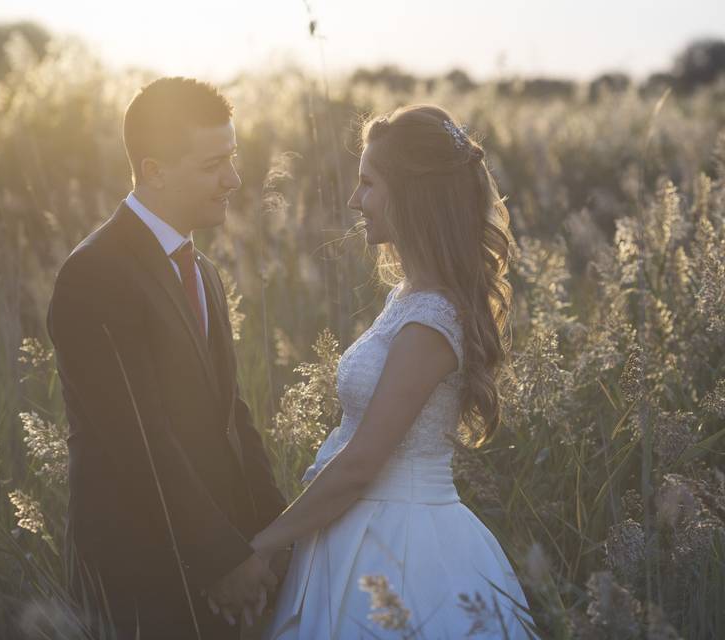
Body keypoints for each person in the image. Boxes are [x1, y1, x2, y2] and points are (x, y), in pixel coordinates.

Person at [257, 105, 538, 639]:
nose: (354, 200)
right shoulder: (407, 298)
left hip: (404, 546)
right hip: (356, 529)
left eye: (368, 183)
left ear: (411, 195)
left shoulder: (434, 320)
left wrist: (263, 546)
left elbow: (363, 462)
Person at [46, 76, 289, 640]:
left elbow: (231, 414)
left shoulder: (200, 269)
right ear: (153, 170)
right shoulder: (94, 274)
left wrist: (276, 536)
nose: (233, 179)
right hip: (142, 572)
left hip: (222, 552)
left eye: (232, 157)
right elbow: (139, 440)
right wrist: (220, 561)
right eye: (213, 165)